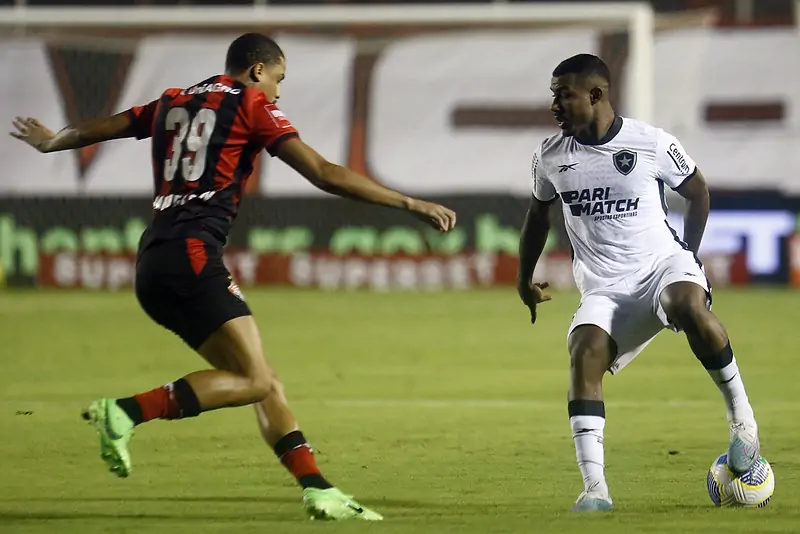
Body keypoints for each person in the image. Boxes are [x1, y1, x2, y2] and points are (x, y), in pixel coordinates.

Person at [9, 32, 457, 521]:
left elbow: (103, 127)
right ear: (257, 69)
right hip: (194, 256)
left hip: (153, 260)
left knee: (261, 378)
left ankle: (318, 490)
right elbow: (324, 172)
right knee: (254, 379)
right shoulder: (250, 104)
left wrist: (54, 141)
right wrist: (410, 203)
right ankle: (126, 412)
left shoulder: (173, 100)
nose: (279, 93)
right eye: (279, 79)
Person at [516, 54, 760, 512]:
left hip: (661, 266)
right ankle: (595, 491)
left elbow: (697, 190)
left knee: (685, 300)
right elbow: (537, 217)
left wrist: (690, 256)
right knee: (583, 351)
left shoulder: (649, 143)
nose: (554, 105)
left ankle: (743, 422)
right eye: (553, 94)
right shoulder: (550, 156)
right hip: (604, 288)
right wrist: (522, 279)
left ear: (596, 94)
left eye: (562, 94)